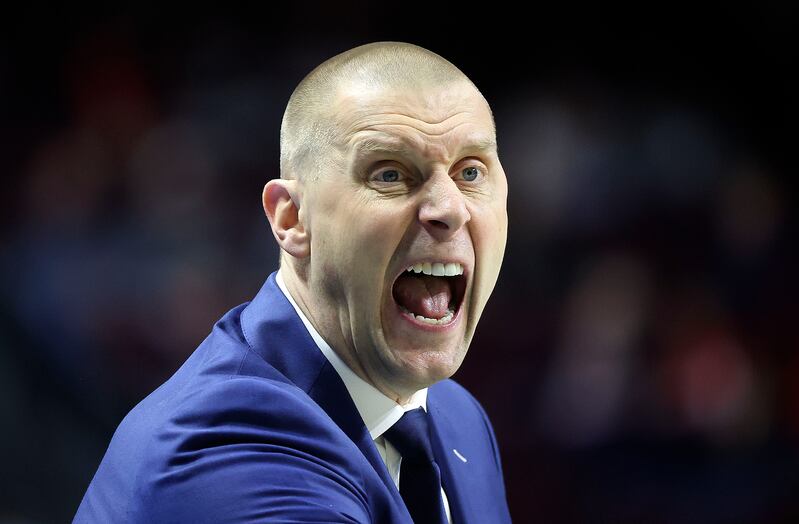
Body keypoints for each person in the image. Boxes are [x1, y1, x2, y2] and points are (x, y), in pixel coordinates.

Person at [74, 41, 511, 523]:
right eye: (390, 174)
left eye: (471, 172)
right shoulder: (224, 454)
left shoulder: (455, 419)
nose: (449, 208)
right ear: (292, 218)